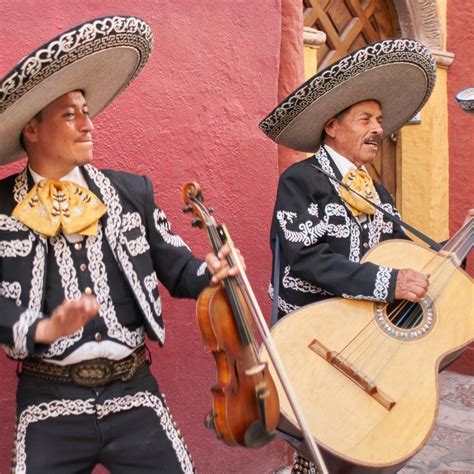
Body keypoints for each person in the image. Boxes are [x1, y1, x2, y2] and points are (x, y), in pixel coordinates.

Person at [0, 16, 241, 474]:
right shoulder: (0, 206)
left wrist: (210, 270)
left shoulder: (132, 192)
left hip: (133, 391)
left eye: (86, 111)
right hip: (48, 399)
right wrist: (43, 328)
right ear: (32, 129)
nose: (88, 124)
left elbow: (179, 269)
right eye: (69, 115)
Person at [259, 39, 472, 473]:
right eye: (366, 119)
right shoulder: (302, 180)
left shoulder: (377, 192)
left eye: (379, 120)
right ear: (332, 127)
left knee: (361, 445)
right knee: (319, 449)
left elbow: (405, 255)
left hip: (365, 338)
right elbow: (306, 258)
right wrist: (388, 283)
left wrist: (460, 242)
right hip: (318, 341)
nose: (379, 128)